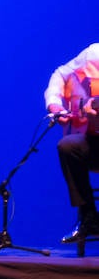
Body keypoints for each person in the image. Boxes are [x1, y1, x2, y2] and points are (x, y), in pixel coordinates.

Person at [45, 43, 99, 243]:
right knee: (67, 146)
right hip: (94, 142)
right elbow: (60, 74)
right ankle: (89, 218)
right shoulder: (94, 53)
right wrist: (55, 104)